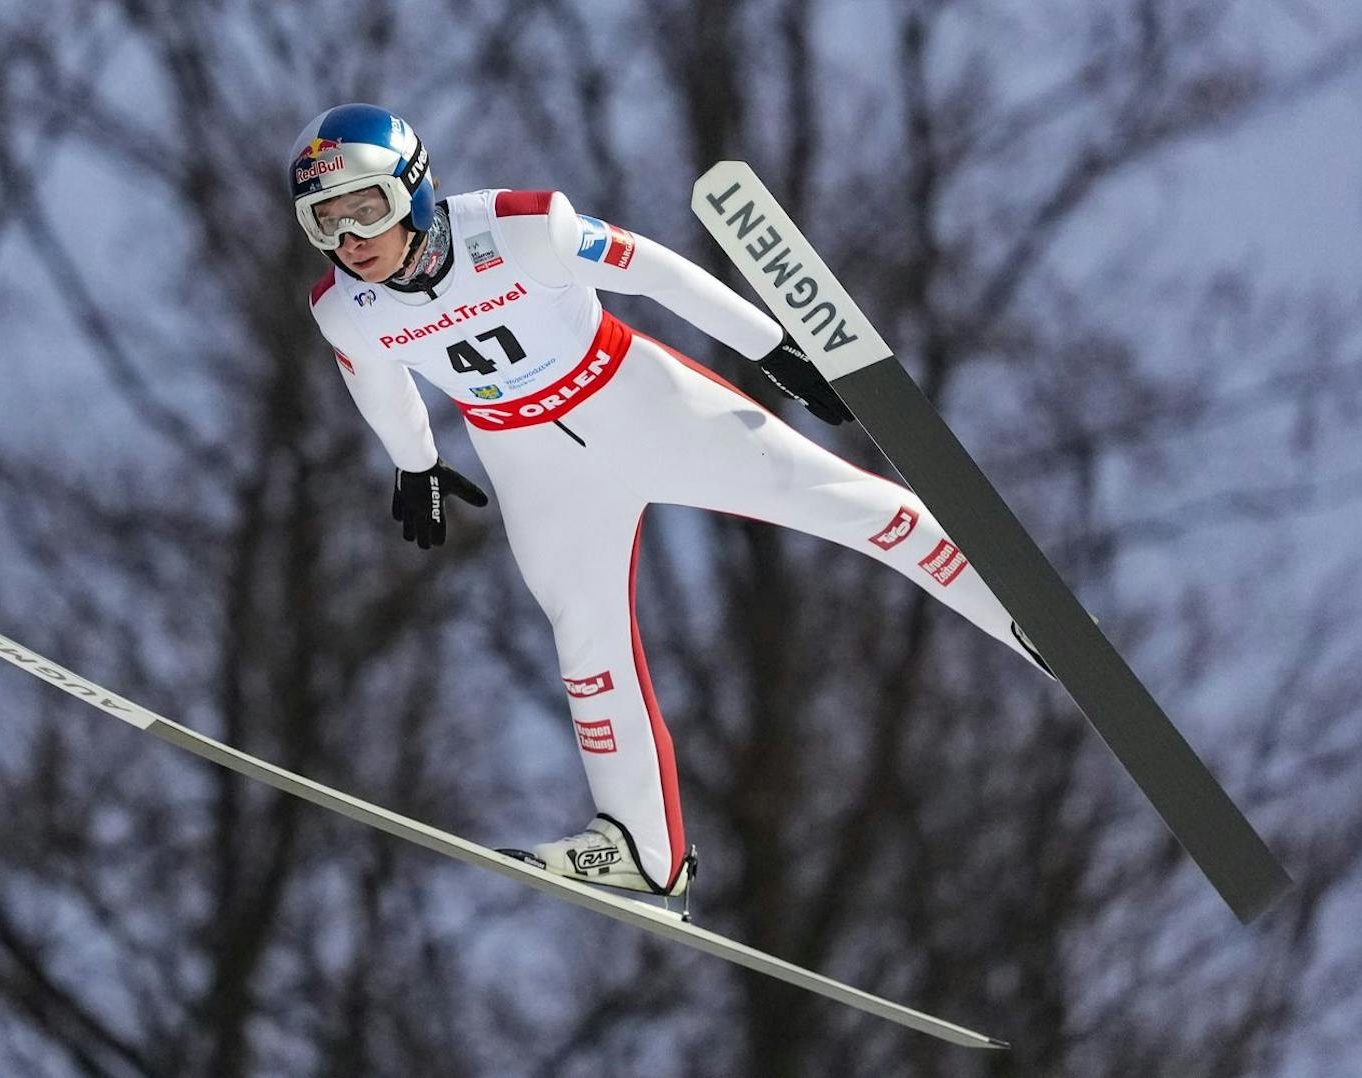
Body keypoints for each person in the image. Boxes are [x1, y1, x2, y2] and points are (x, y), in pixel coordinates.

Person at [293, 103, 1051, 902]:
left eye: (366, 209)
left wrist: (769, 346)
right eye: (325, 223)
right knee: (584, 639)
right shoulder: (345, 306)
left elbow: (652, 271)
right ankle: (640, 846)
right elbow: (379, 387)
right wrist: (417, 467)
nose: (351, 241)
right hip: (533, 462)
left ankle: (1023, 612)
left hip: (640, 403)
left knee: (840, 502)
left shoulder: (520, 227)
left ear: (413, 191)